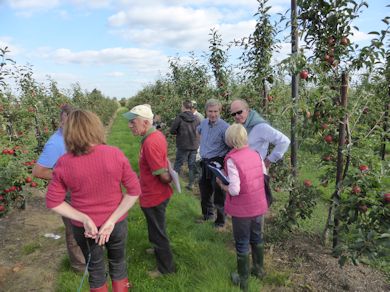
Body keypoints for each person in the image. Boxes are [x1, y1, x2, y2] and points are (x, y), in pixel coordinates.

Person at [46, 110, 141, 292]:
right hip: (116, 224)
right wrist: (112, 220)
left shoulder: (64, 162)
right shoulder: (115, 154)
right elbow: (134, 190)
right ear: (96, 128)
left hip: (86, 230)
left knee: (95, 269)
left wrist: (84, 219)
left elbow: (53, 201)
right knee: (118, 263)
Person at [32, 104, 86, 274]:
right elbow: (38, 171)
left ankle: (90, 256)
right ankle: (80, 266)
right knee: (73, 228)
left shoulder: (76, 137)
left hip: (81, 189)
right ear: (61, 122)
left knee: (85, 224)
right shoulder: (55, 143)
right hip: (68, 192)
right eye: (66, 122)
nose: (70, 127)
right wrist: (65, 174)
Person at [124, 104, 175, 278]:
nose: (130, 125)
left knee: (158, 231)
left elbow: (162, 176)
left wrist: (171, 177)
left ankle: (166, 269)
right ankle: (156, 248)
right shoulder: (153, 136)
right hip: (152, 192)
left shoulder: (151, 142)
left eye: (133, 122)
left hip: (154, 195)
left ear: (145, 123)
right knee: (155, 227)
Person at [216, 123, 268, 291]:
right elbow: (263, 176)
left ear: (230, 141)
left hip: (242, 210)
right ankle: (258, 270)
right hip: (258, 205)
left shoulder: (232, 159)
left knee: (242, 243)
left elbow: (235, 189)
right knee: (257, 237)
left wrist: (223, 184)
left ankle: (243, 280)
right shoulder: (256, 154)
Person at [230, 99, 290, 205]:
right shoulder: (241, 126)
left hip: (255, 174)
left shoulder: (260, 127)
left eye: (239, 112)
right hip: (243, 173)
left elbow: (284, 141)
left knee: (256, 204)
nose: (237, 116)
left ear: (247, 110)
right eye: (234, 114)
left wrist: (269, 160)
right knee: (245, 205)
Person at [197, 98, 230, 228]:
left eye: (216, 111)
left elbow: (229, 147)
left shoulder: (225, 127)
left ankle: (220, 222)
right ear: (205, 111)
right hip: (205, 161)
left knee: (219, 193)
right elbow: (198, 131)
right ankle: (207, 216)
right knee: (204, 190)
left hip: (218, 162)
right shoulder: (204, 123)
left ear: (220, 111)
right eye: (210, 111)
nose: (213, 114)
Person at [169, 100, 200, 191]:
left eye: (181, 106)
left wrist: (179, 133)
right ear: (190, 108)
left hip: (183, 145)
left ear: (183, 107)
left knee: (178, 164)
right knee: (191, 165)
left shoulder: (180, 118)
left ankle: (174, 184)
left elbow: (172, 130)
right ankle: (191, 185)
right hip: (194, 145)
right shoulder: (197, 118)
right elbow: (200, 131)